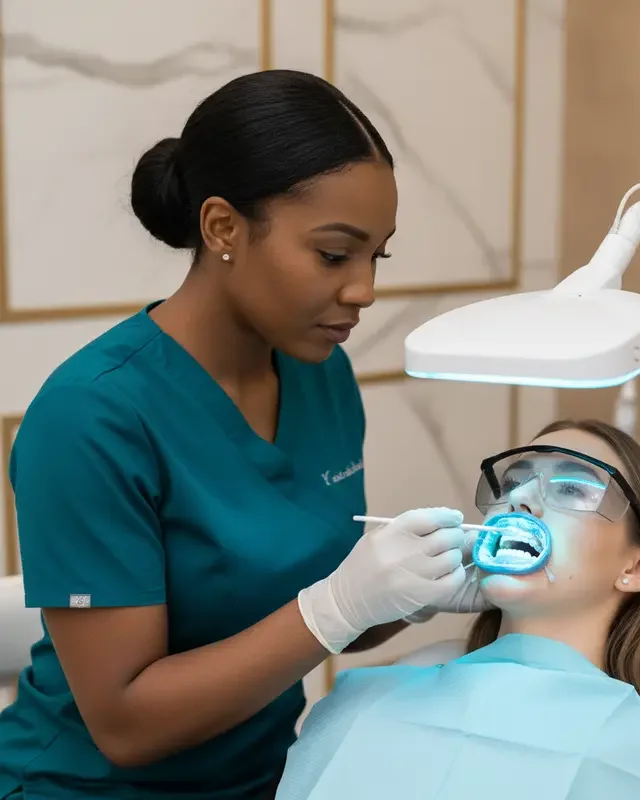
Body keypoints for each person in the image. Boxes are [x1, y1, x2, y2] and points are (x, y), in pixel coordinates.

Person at [0, 69, 491, 800]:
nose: (363, 291)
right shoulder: (91, 418)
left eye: (375, 256)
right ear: (223, 227)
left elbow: (301, 624)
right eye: (333, 254)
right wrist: (341, 604)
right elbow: (127, 725)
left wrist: (417, 590)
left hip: (264, 781)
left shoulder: (320, 375)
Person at [275, 420, 640, 800]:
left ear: (639, 567)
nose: (520, 498)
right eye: (515, 483)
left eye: (570, 488)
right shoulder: (359, 706)